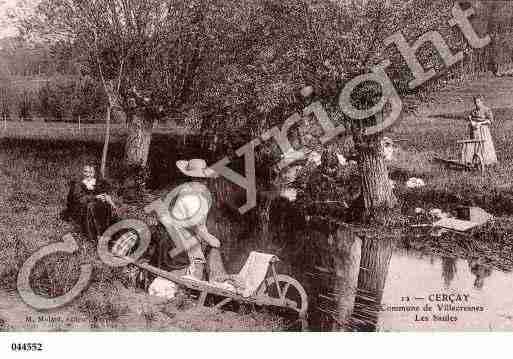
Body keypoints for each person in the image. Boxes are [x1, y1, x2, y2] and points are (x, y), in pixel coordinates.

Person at [111, 159, 221, 282]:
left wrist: (205, 236)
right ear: (191, 180)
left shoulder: (200, 197)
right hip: (176, 231)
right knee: (181, 252)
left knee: (203, 253)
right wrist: (207, 237)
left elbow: (200, 224)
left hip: (186, 231)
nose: (202, 182)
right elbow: (191, 224)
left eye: (203, 180)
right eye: (198, 180)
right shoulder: (187, 196)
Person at [62, 163, 117, 241]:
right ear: (82, 172)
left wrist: (109, 200)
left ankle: (107, 232)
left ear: (94, 173)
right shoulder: (78, 183)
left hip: (94, 205)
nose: (88, 175)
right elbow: (79, 199)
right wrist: (95, 197)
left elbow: (104, 193)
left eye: (91, 172)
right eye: (85, 172)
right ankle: (95, 236)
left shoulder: (98, 182)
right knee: (90, 207)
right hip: (79, 208)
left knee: (105, 205)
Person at [468, 96, 497, 165]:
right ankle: (476, 160)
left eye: (478, 102)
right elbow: (470, 118)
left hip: (483, 130)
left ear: (482, 102)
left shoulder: (487, 110)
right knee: (475, 145)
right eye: (475, 102)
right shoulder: (473, 111)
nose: (476, 104)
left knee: (484, 144)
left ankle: (487, 161)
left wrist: (481, 123)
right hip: (475, 130)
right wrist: (471, 121)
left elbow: (490, 121)